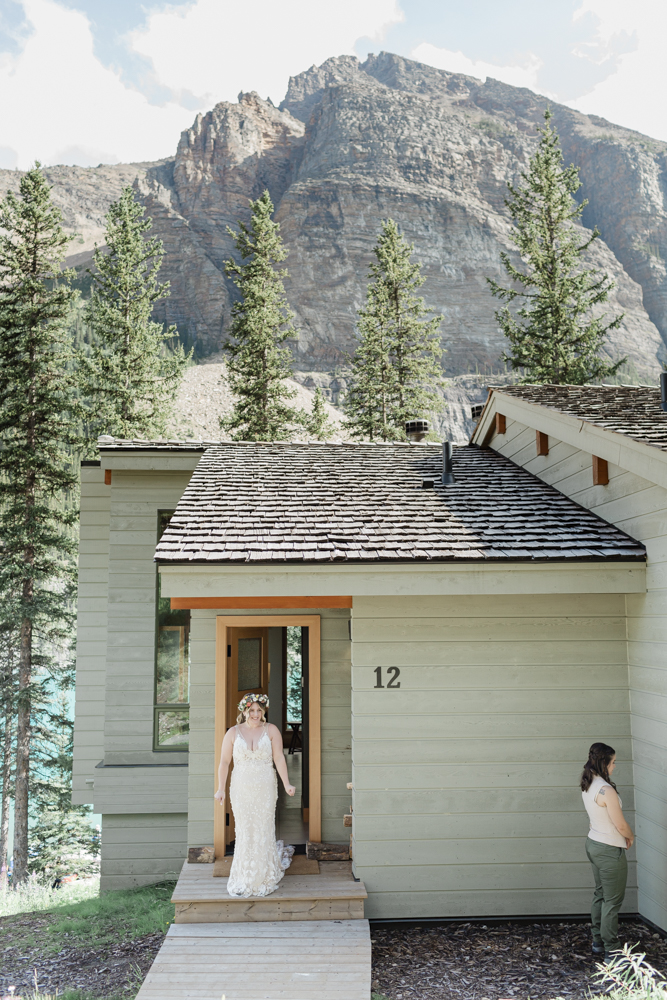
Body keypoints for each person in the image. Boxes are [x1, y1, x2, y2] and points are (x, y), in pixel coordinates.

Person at [214, 693, 296, 897]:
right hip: (240, 788)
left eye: (259, 710)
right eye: (252, 710)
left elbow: (279, 758)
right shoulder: (232, 733)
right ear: (244, 711)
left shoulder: (272, 730)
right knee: (245, 828)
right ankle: (245, 874)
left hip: (265, 787)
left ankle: (264, 873)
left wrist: (286, 783)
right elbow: (224, 762)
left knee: (262, 826)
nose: (256, 714)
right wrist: (221, 788)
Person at [581, 742, 634, 961]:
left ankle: (597, 941)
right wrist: (630, 836)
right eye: (612, 763)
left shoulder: (588, 782)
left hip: (593, 843)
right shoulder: (606, 790)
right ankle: (611, 950)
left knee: (600, 894)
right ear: (604, 762)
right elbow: (620, 824)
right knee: (612, 901)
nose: (614, 767)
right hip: (609, 849)